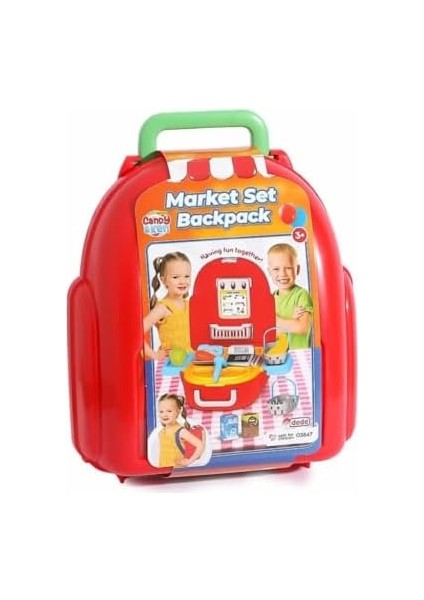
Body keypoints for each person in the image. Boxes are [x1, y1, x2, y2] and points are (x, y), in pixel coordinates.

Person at [143, 252, 192, 360]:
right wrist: (153, 354)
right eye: (175, 277)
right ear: (164, 280)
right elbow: (136, 333)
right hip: (171, 364)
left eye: (187, 276)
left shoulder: (190, 304)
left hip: (191, 361)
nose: (183, 281)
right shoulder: (163, 308)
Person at [267, 243, 313, 349]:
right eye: (276, 269)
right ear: (269, 272)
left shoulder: (301, 295)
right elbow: (270, 335)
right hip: (278, 355)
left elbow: (302, 327)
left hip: (299, 355)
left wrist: (276, 321)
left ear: (297, 269)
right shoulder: (269, 299)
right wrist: (292, 320)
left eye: (288, 268)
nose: (282, 274)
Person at [157, 393, 205, 467]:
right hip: (162, 468)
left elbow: (200, 445)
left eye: (169, 411)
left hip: (176, 469)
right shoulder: (161, 432)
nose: (164, 414)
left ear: (178, 411)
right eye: (161, 411)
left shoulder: (180, 431)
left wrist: (189, 461)